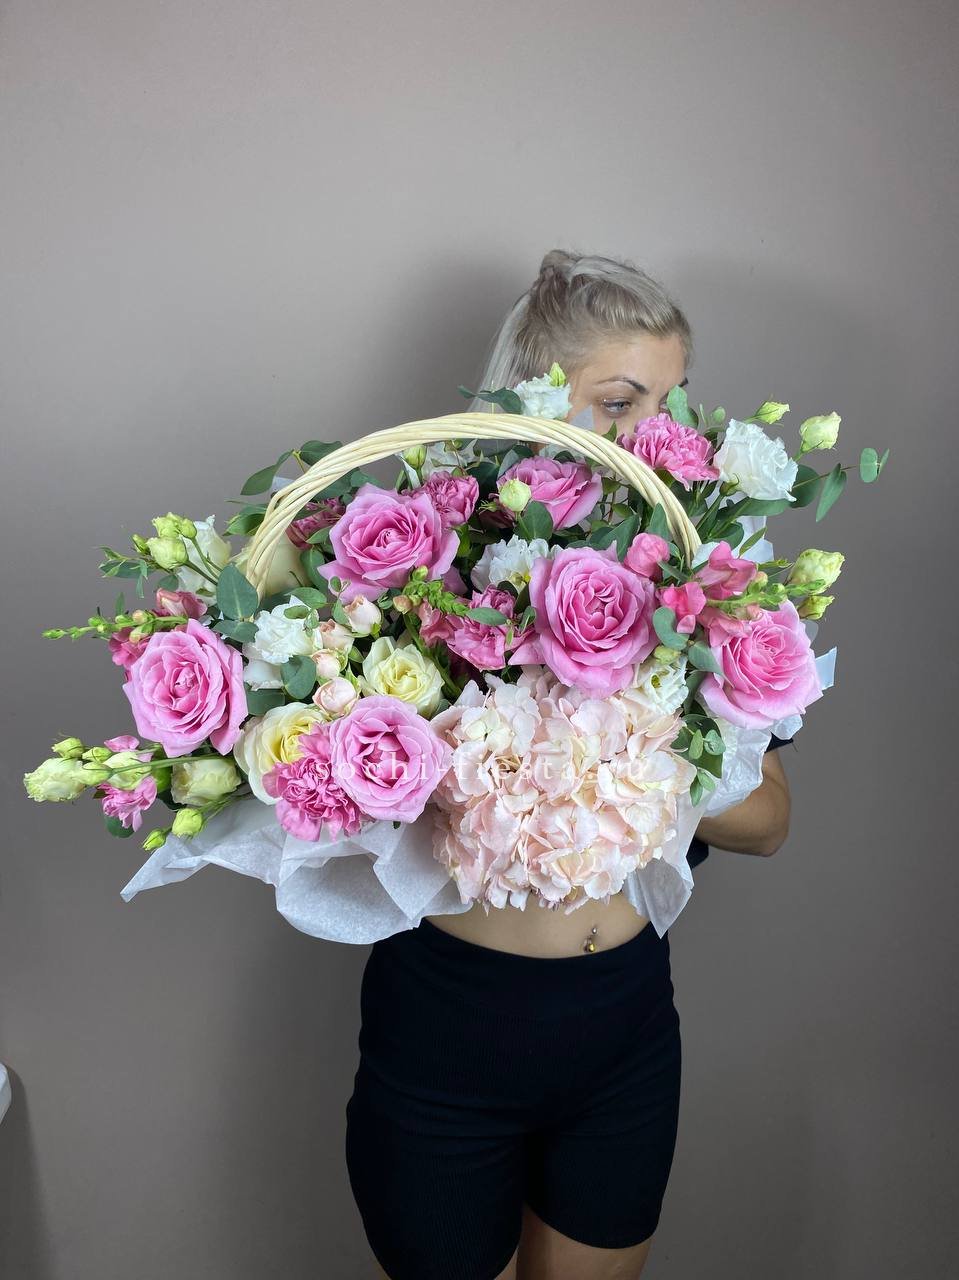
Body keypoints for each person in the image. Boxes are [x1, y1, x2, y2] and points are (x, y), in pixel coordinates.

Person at [344, 249, 793, 1280]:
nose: (654, 437)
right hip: (447, 1036)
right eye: (621, 401)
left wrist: (638, 755)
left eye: (672, 403)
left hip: (623, 1034)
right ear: (532, 397)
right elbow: (351, 799)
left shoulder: (702, 588)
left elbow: (770, 823)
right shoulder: (428, 574)